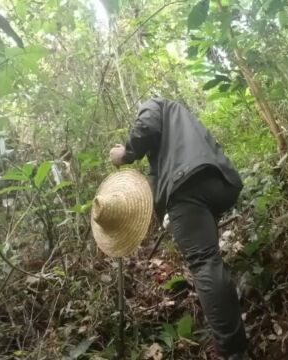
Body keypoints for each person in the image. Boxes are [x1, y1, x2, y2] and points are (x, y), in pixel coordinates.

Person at [109, 98, 248, 359]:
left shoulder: (153, 104)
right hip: (219, 181)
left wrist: (125, 153)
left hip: (186, 187)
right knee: (211, 260)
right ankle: (232, 309)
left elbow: (146, 127)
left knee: (204, 262)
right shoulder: (179, 117)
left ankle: (233, 352)